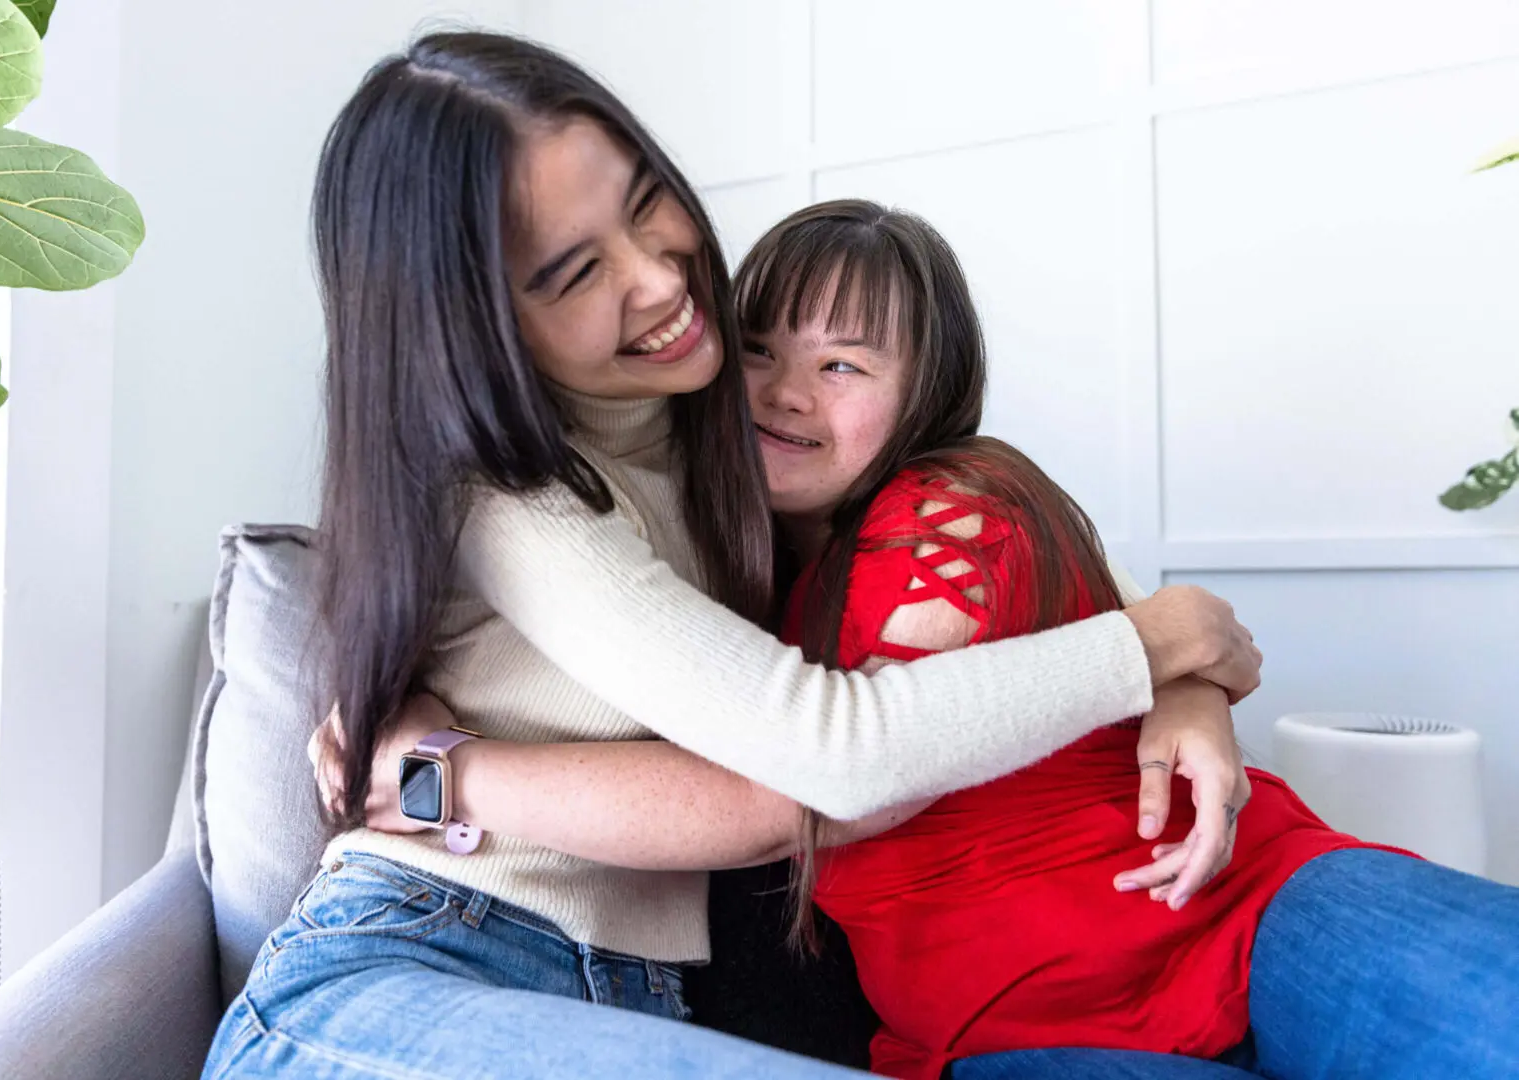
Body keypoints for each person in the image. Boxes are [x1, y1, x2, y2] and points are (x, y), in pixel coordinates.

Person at [207, 30, 1260, 1080]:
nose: (659, 283)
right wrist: (1150, 644)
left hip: (633, 996)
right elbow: (838, 762)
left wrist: (1182, 684)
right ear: (475, 324)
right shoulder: (504, 499)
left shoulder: (740, 413)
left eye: (644, 202)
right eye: (575, 272)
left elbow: (1066, 587)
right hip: (407, 972)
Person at [356, 200, 1519, 1080]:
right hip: (1001, 1026)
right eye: (761, 349)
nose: (787, 391)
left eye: (845, 364)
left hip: (1241, 908)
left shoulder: (953, 501)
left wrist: (436, 777)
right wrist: (1180, 670)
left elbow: (867, 768)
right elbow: (1164, 639)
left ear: (923, 395)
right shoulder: (722, 585)